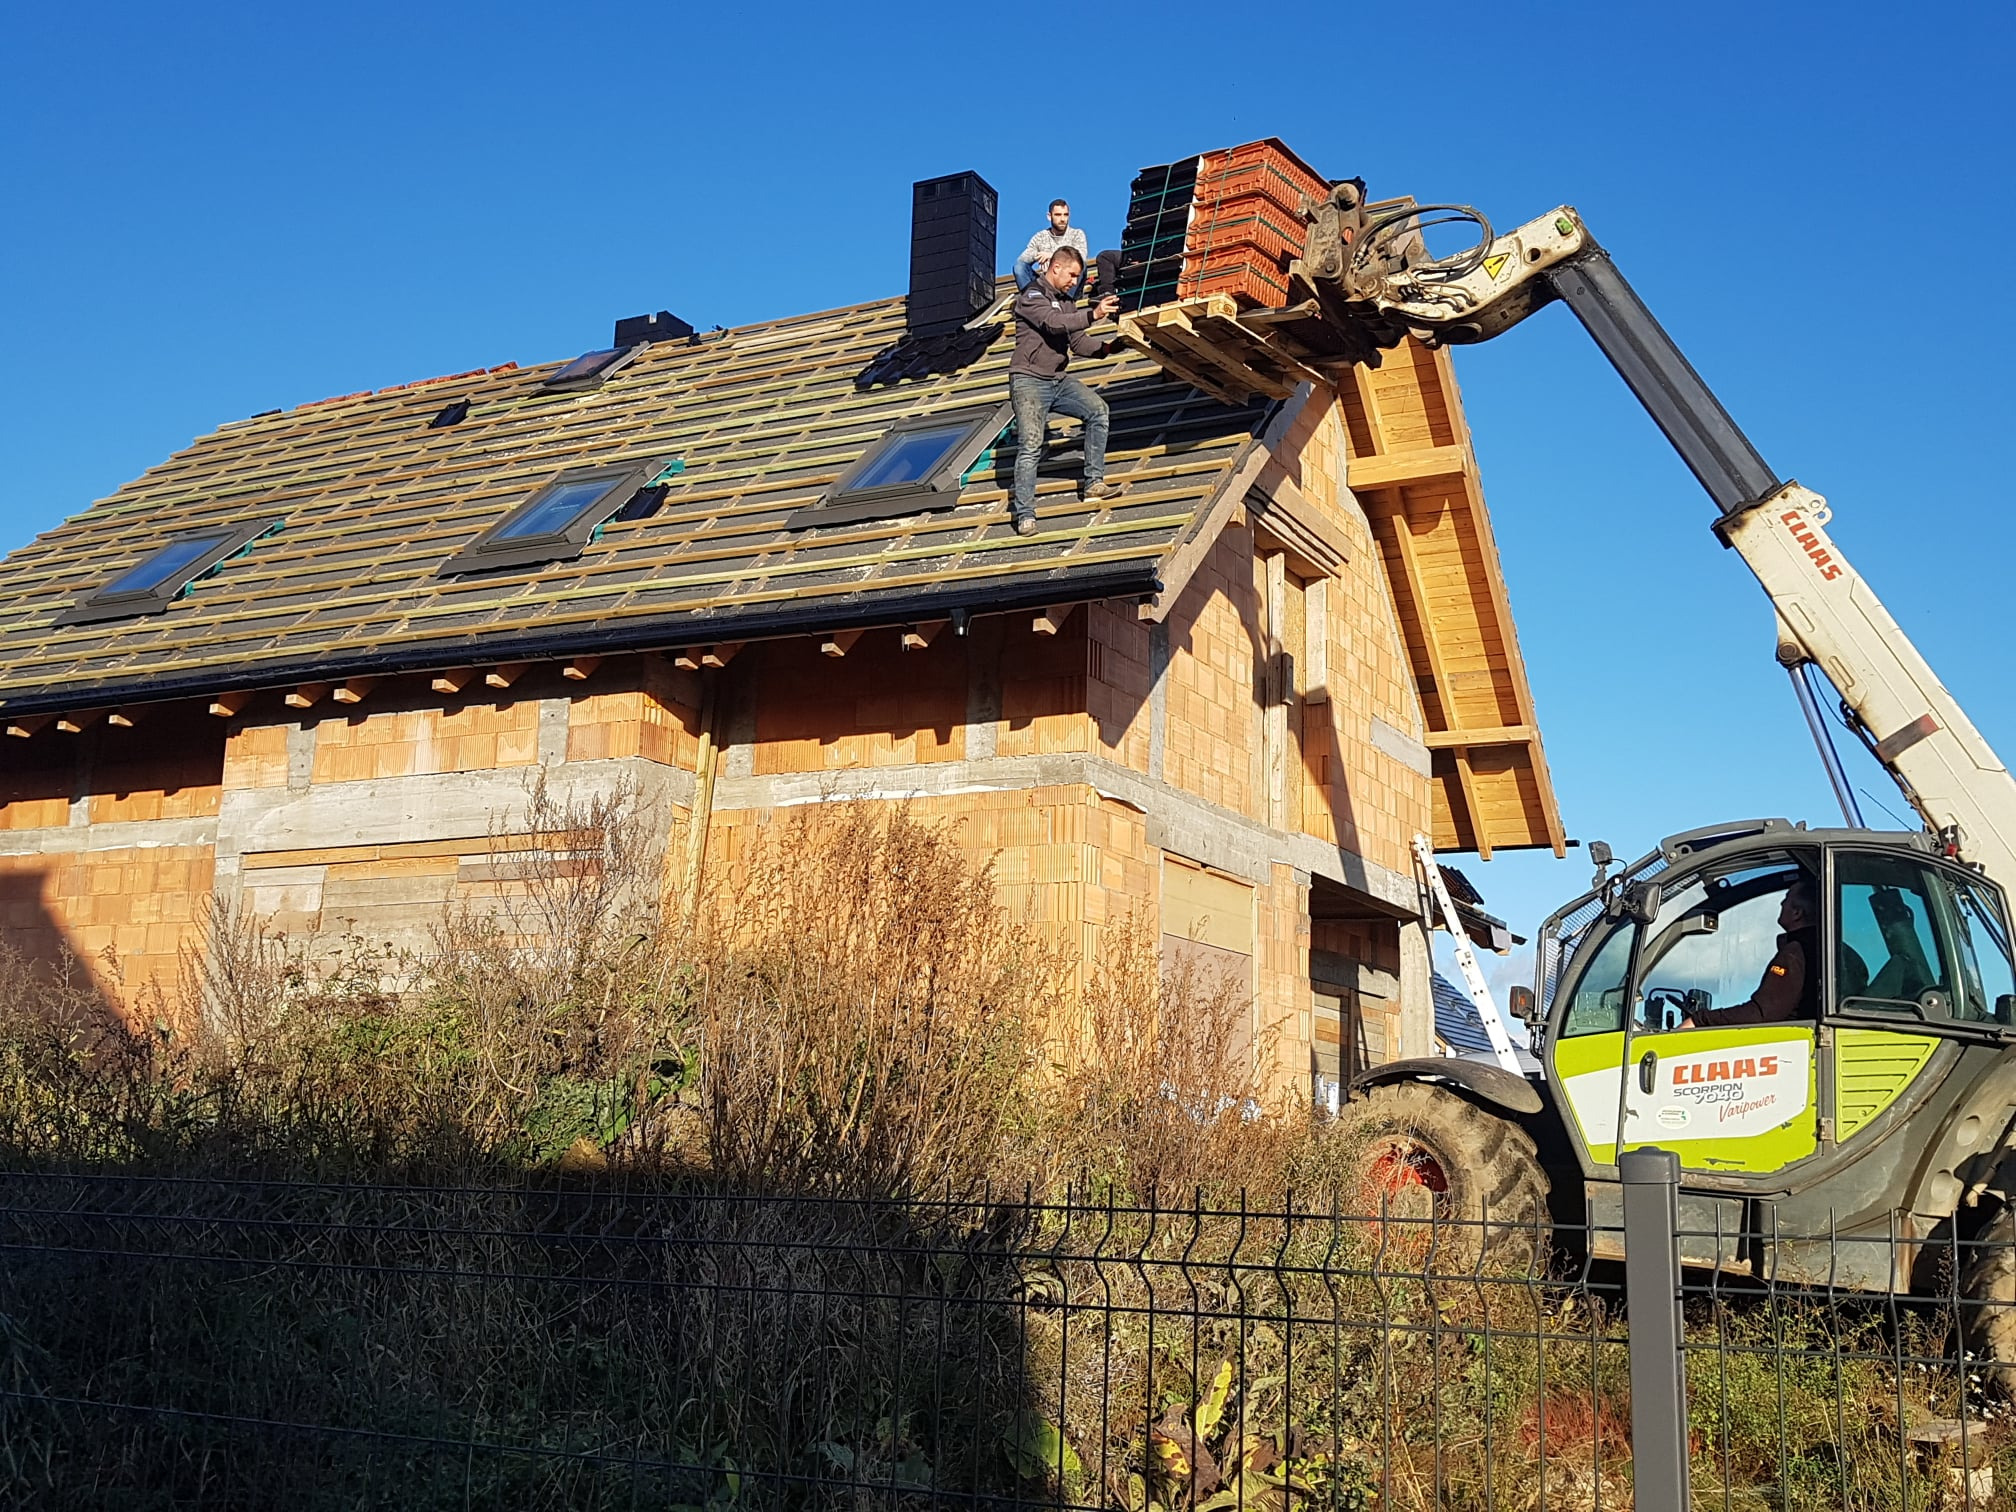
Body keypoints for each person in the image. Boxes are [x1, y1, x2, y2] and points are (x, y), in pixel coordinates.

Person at [1008, 246, 1122, 536]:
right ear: (1055, 267)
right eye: (1072, 274)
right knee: (1031, 446)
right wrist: (1094, 314)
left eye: (1077, 276)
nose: (1074, 281)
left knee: (1098, 411)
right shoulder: (1031, 296)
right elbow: (1053, 323)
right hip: (1029, 380)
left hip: (1057, 380)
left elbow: (1078, 342)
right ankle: (1025, 514)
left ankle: (1094, 482)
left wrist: (1108, 348)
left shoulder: (1067, 302)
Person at [1681, 878, 1822, 1027]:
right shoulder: (1826, 953)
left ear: (1797, 913)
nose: (1781, 903)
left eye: (1786, 899)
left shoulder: (1794, 954)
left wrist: (1697, 1020)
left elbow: (1761, 1013)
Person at [1013, 199, 1123, 301]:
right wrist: (1038, 255)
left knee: (1081, 265)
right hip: (1048, 285)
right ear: (1049, 216)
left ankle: (1065, 302)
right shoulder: (1040, 237)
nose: (1062, 219)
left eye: (1065, 215)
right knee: (1019, 267)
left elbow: (1081, 256)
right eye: (1058, 215)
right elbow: (1023, 260)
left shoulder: (1077, 234)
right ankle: (1032, 301)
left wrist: (1052, 255)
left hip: (1070, 286)